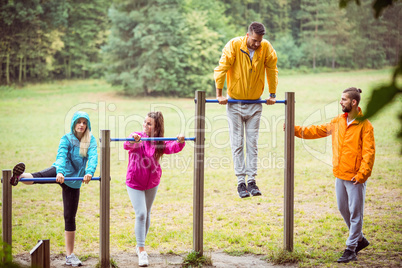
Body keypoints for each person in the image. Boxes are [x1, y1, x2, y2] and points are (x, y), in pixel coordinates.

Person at [293, 87, 375, 263]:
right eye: (341, 99)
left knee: (355, 213)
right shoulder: (337, 121)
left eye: (344, 99)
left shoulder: (365, 125)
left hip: (355, 178)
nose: (341, 102)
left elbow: (369, 153)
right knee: (343, 208)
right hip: (340, 174)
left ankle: (351, 248)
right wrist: (295, 130)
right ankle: (359, 239)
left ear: (354, 102)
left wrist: (362, 174)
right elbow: (316, 130)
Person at [9, 111, 98, 267]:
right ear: (73, 124)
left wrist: (90, 172)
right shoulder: (66, 139)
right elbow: (61, 156)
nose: (82, 125)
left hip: (73, 181)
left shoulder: (91, 140)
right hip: (60, 172)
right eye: (79, 122)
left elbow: (93, 157)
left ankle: (70, 256)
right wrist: (61, 172)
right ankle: (19, 176)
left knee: (69, 217)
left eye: (85, 122)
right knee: (37, 177)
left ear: (88, 125)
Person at [214, 21, 278, 198]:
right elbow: (221, 69)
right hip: (235, 104)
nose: (257, 44)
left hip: (255, 104)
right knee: (237, 143)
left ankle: (252, 181)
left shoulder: (265, 48)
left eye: (260, 41)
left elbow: (272, 70)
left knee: (252, 143)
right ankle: (240, 182)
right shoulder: (234, 45)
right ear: (248, 35)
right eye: (255, 40)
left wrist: (272, 94)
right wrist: (219, 95)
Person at [123, 111, 185, 267]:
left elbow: (171, 147)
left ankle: (139, 245)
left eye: (149, 124)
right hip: (135, 182)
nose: (145, 125)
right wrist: (133, 140)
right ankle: (142, 250)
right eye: (144, 122)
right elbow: (127, 144)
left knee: (147, 213)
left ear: (157, 128)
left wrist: (180, 141)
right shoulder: (138, 136)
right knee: (141, 213)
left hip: (152, 182)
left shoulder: (158, 141)